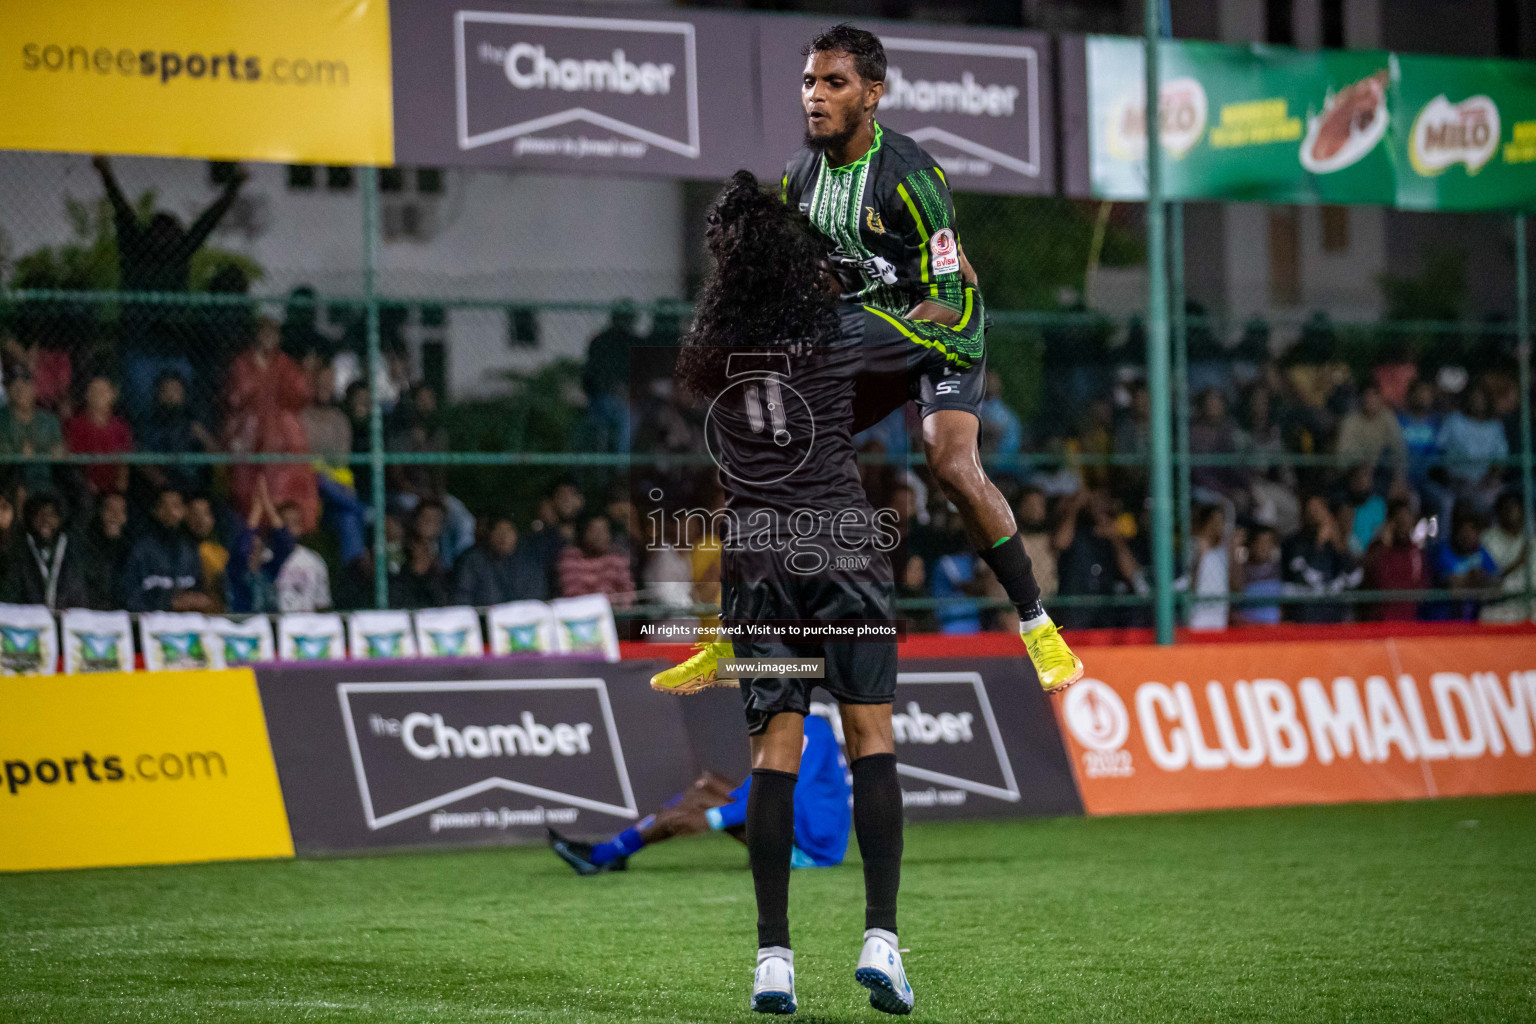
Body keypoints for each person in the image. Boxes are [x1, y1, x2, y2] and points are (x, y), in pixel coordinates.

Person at [656, 172, 995, 1015]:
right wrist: (952, 284)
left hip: (757, 555)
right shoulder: (844, 331)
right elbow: (942, 326)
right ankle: (881, 937)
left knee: (774, 754)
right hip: (840, 543)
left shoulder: (713, 355)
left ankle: (774, 960)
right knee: (869, 738)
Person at [780, 24, 1077, 690]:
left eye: (835, 82)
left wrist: (860, 342)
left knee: (944, 456)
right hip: (868, 331)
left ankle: (1036, 625)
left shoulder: (911, 176)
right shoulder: (797, 180)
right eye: (808, 82)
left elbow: (945, 295)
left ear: (873, 94)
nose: (816, 96)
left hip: (943, 327)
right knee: (782, 449)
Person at [550, 714, 850, 876]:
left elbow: (777, 795)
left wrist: (712, 818)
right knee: (705, 787)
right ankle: (613, 854)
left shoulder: (806, 729)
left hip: (811, 851)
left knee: (695, 812)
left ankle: (606, 855)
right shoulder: (805, 725)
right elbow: (762, 789)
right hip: (804, 831)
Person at [92, 155, 246, 421]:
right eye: (161, 235)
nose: (165, 240)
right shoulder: (137, 251)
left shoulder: (178, 254)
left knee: (181, 405)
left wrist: (233, 188)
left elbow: (205, 224)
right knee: (142, 406)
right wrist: (106, 174)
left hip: (173, 344)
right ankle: (145, 453)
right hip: (140, 343)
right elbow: (122, 210)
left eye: (170, 235)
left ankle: (180, 450)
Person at [224, 317, 318, 534]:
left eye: (273, 334)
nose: (268, 338)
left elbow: (300, 394)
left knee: (286, 486)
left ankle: (284, 531)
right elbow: (237, 397)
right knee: (248, 486)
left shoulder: (284, 364)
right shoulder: (243, 363)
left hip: (282, 435)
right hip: (251, 431)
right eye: (264, 333)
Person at [123, 487, 211, 613]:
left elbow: (200, 595)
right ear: (156, 511)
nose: (171, 512)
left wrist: (196, 601)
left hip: (186, 626)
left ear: (184, 511)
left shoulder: (190, 551)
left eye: (175, 506)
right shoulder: (141, 550)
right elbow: (130, 599)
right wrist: (168, 604)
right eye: (165, 506)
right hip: (150, 625)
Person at [1282, 495, 1362, 624]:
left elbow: (1354, 578)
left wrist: (1339, 547)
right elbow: (1306, 579)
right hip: (1307, 618)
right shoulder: (1294, 544)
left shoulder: (1335, 546)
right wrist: (1318, 545)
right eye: (1311, 511)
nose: (1315, 516)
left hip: (1335, 616)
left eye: (1319, 511)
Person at [1, 493, 88, 610]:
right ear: (30, 519)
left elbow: (78, 594)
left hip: (66, 622)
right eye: (39, 514)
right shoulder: (18, 551)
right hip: (29, 623)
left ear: (60, 518)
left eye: (51, 515)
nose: (46, 520)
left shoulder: (71, 551)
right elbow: (11, 594)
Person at [226, 481, 294, 615]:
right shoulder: (236, 571)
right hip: (241, 627)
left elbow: (285, 545)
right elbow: (241, 550)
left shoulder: (268, 572)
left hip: (267, 626)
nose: (252, 552)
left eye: (257, 548)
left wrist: (268, 505)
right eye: (250, 548)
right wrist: (256, 510)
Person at [581, 303, 639, 453]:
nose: (626, 323)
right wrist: (615, 390)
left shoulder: (633, 342)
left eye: (628, 319)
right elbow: (593, 377)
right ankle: (622, 469)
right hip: (603, 400)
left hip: (628, 399)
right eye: (623, 319)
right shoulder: (601, 342)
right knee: (628, 415)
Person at [451, 514, 547, 605]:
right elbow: (462, 599)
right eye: (499, 530)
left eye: (508, 530)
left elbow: (536, 601)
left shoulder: (528, 560)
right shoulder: (472, 561)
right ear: (489, 534)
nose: (504, 536)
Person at [1425, 502, 1497, 622]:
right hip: (1442, 621)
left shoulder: (1481, 552)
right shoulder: (1443, 552)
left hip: (1474, 622)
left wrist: (1483, 578)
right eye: (1463, 531)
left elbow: (1495, 582)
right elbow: (1451, 585)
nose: (1467, 536)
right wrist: (1473, 578)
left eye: (1471, 531)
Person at [64, 374, 133, 497]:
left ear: (112, 395)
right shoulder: (76, 425)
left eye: (103, 391)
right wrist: (87, 483)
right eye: (94, 391)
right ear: (87, 395)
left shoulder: (121, 427)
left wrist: (120, 488)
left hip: (113, 487)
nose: (98, 395)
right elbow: (74, 461)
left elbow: (124, 461)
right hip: (85, 487)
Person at [0, 370, 63, 497]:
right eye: (15, 387)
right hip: (13, 474)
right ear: (8, 391)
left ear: (33, 389)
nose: (20, 391)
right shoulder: (2, 418)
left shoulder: (49, 420)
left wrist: (36, 454)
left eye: (25, 386)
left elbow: (58, 452)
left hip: (47, 473)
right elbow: (5, 453)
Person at [1363, 498, 1428, 621]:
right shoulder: (1377, 548)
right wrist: (1385, 545)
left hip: (1408, 623)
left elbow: (1421, 588)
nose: (1402, 525)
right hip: (1380, 622)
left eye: (1406, 519)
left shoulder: (1416, 552)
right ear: (1391, 522)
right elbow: (1378, 581)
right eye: (1398, 520)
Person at [557, 514, 635, 609]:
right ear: (583, 533)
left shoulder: (617, 559)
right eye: (594, 530)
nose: (599, 536)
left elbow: (628, 593)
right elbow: (572, 595)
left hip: (615, 618)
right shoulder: (570, 559)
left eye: (604, 531)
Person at [1480, 492, 1535, 623]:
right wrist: (1517, 562)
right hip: (1501, 604)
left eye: (1514, 508)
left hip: (1531, 601)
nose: (1511, 513)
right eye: (1506, 508)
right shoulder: (1487, 538)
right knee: (1487, 617)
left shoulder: (1532, 539)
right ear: (1498, 513)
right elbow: (1490, 578)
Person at [275, 500, 332, 613]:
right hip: (277, 624)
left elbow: (322, 603)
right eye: (286, 523)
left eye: (295, 522)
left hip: (306, 625)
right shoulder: (268, 558)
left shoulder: (314, 560)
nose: (291, 527)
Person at [77, 492, 130, 610]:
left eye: (120, 511)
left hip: (120, 618)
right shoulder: (84, 548)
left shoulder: (130, 551)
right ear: (99, 513)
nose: (115, 516)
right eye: (110, 509)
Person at [184, 495, 229, 613]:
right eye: (195, 514)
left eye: (205, 514)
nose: (201, 519)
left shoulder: (220, 552)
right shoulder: (177, 550)